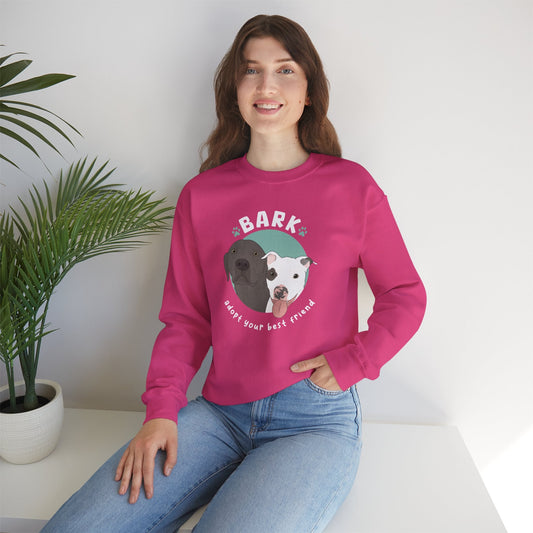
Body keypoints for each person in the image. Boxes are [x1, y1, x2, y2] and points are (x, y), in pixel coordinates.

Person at [42, 14, 426, 533]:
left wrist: (355, 361)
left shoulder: (351, 188)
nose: (267, 85)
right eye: (251, 70)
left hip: (314, 419)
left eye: (285, 70)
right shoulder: (202, 196)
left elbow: (404, 293)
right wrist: (162, 411)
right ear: (235, 89)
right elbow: (187, 320)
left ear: (309, 91)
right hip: (219, 412)